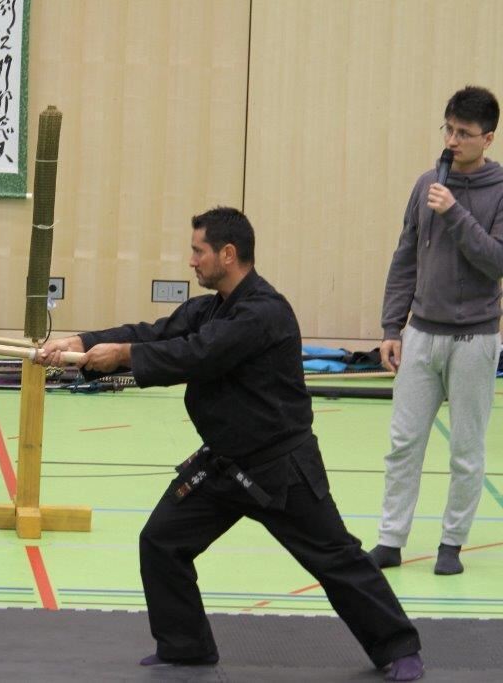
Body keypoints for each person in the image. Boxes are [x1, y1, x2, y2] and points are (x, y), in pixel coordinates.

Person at [37, 208, 424, 681]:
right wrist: (82, 341)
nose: (191, 261)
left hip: (280, 469)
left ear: (227, 253)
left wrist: (124, 356)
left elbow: (198, 354)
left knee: (335, 557)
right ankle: (186, 646)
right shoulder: (209, 308)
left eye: (197, 251)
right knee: (162, 541)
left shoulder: (264, 312)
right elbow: (156, 334)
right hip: (223, 465)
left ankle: (399, 646)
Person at [369, 86, 503, 576]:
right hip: (422, 334)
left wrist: (454, 212)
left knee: (466, 450)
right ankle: (390, 540)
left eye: (464, 133)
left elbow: (496, 261)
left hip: (475, 338)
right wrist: (392, 326)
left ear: (488, 138)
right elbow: (405, 255)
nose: (452, 140)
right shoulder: (427, 182)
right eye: (448, 129)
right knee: (403, 443)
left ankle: (451, 544)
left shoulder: (498, 189)